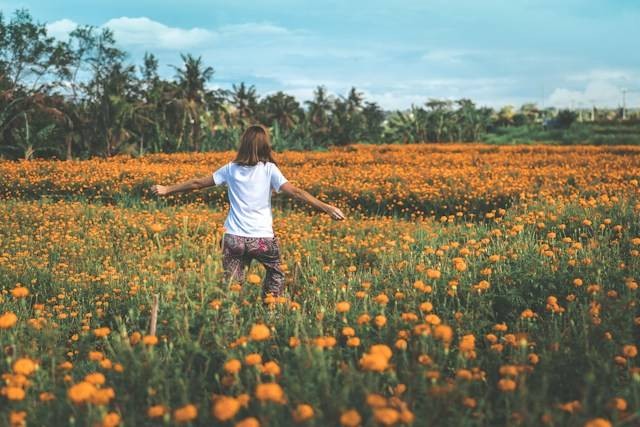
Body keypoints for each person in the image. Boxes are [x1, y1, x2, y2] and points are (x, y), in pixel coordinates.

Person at [150, 124, 345, 300]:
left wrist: (167, 189)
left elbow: (197, 183)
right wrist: (327, 208)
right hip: (262, 239)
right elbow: (296, 192)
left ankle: (230, 320)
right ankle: (270, 311)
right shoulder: (269, 170)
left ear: (243, 144)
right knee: (276, 273)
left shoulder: (230, 169)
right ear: (265, 146)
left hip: (233, 238)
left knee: (232, 286)